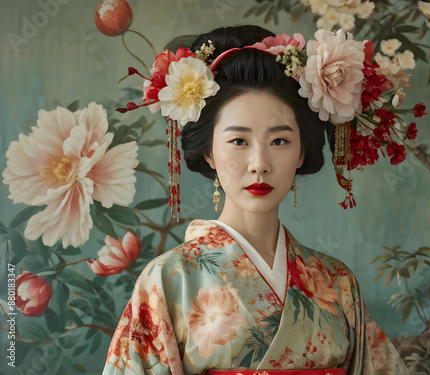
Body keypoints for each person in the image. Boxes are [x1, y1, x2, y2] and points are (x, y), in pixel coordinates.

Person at [102, 25, 409, 374]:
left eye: (279, 141)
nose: (260, 164)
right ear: (209, 152)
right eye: (238, 141)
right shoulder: (170, 278)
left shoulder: (336, 282)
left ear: (301, 153)